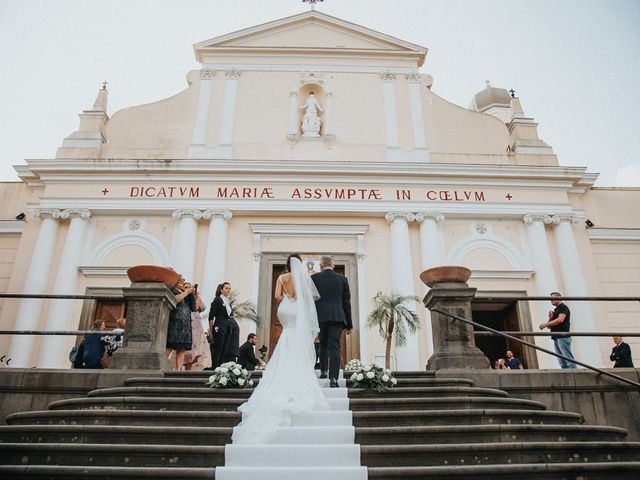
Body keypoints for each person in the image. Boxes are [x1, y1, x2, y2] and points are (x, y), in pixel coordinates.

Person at [231, 254, 329, 444]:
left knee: (286, 335)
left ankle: (282, 365)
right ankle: (296, 367)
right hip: (297, 310)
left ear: (286, 264)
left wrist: (286, 295)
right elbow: (309, 298)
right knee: (297, 337)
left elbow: (276, 297)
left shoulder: (281, 278)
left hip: (285, 309)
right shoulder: (304, 278)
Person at [311, 255, 353, 387]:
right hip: (337, 317)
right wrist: (349, 324)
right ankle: (333, 378)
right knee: (334, 346)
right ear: (333, 266)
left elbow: (310, 301)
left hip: (320, 317)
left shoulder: (314, 278)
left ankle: (323, 371)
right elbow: (346, 302)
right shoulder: (342, 279)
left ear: (321, 266)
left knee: (322, 343)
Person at [539, 291, 576, 369]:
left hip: (562, 336)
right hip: (556, 337)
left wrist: (545, 324)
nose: (551, 300)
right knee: (561, 361)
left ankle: (574, 375)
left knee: (568, 358)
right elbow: (549, 326)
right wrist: (550, 317)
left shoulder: (563, 307)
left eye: (552, 298)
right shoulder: (556, 310)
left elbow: (560, 320)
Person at [165, 277, 194, 370]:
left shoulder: (185, 292)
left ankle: (178, 370)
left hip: (185, 324)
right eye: (180, 279)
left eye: (183, 280)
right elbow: (175, 300)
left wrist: (194, 295)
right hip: (175, 322)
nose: (182, 281)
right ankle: (161, 365)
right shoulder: (172, 290)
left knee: (182, 348)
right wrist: (187, 292)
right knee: (169, 346)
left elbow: (194, 308)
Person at [208, 282, 238, 368]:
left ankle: (221, 367)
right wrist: (211, 331)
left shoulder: (228, 301)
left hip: (228, 327)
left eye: (229, 288)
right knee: (218, 348)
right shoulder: (217, 300)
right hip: (219, 326)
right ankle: (215, 367)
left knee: (225, 349)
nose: (228, 290)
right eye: (226, 288)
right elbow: (211, 317)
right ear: (221, 289)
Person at [183, 283, 212, 370]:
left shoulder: (195, 297)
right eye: (186, 287)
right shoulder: (182, 297)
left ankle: (192, 368)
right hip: (187, 322)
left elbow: (202, 308)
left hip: (196, 321)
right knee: (188, 348)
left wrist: (197, 297)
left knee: (198, 346)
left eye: (189, 287)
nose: (188, 288)